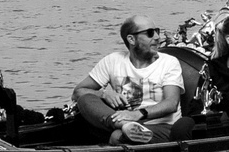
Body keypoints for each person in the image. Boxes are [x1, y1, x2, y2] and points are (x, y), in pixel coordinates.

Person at [73, 15, 190, 144]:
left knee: (117, 136)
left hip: (162, 126)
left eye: (157, 31)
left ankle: (126, 130)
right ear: (131, 39)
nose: (157, 37)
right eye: (150, 33)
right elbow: (78, 92)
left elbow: (171, 103)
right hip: (124, 122)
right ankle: (124, 126)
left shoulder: (169, 62)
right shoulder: (113, 61)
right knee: (85, 99)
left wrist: (138, 114)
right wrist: (104, 94)